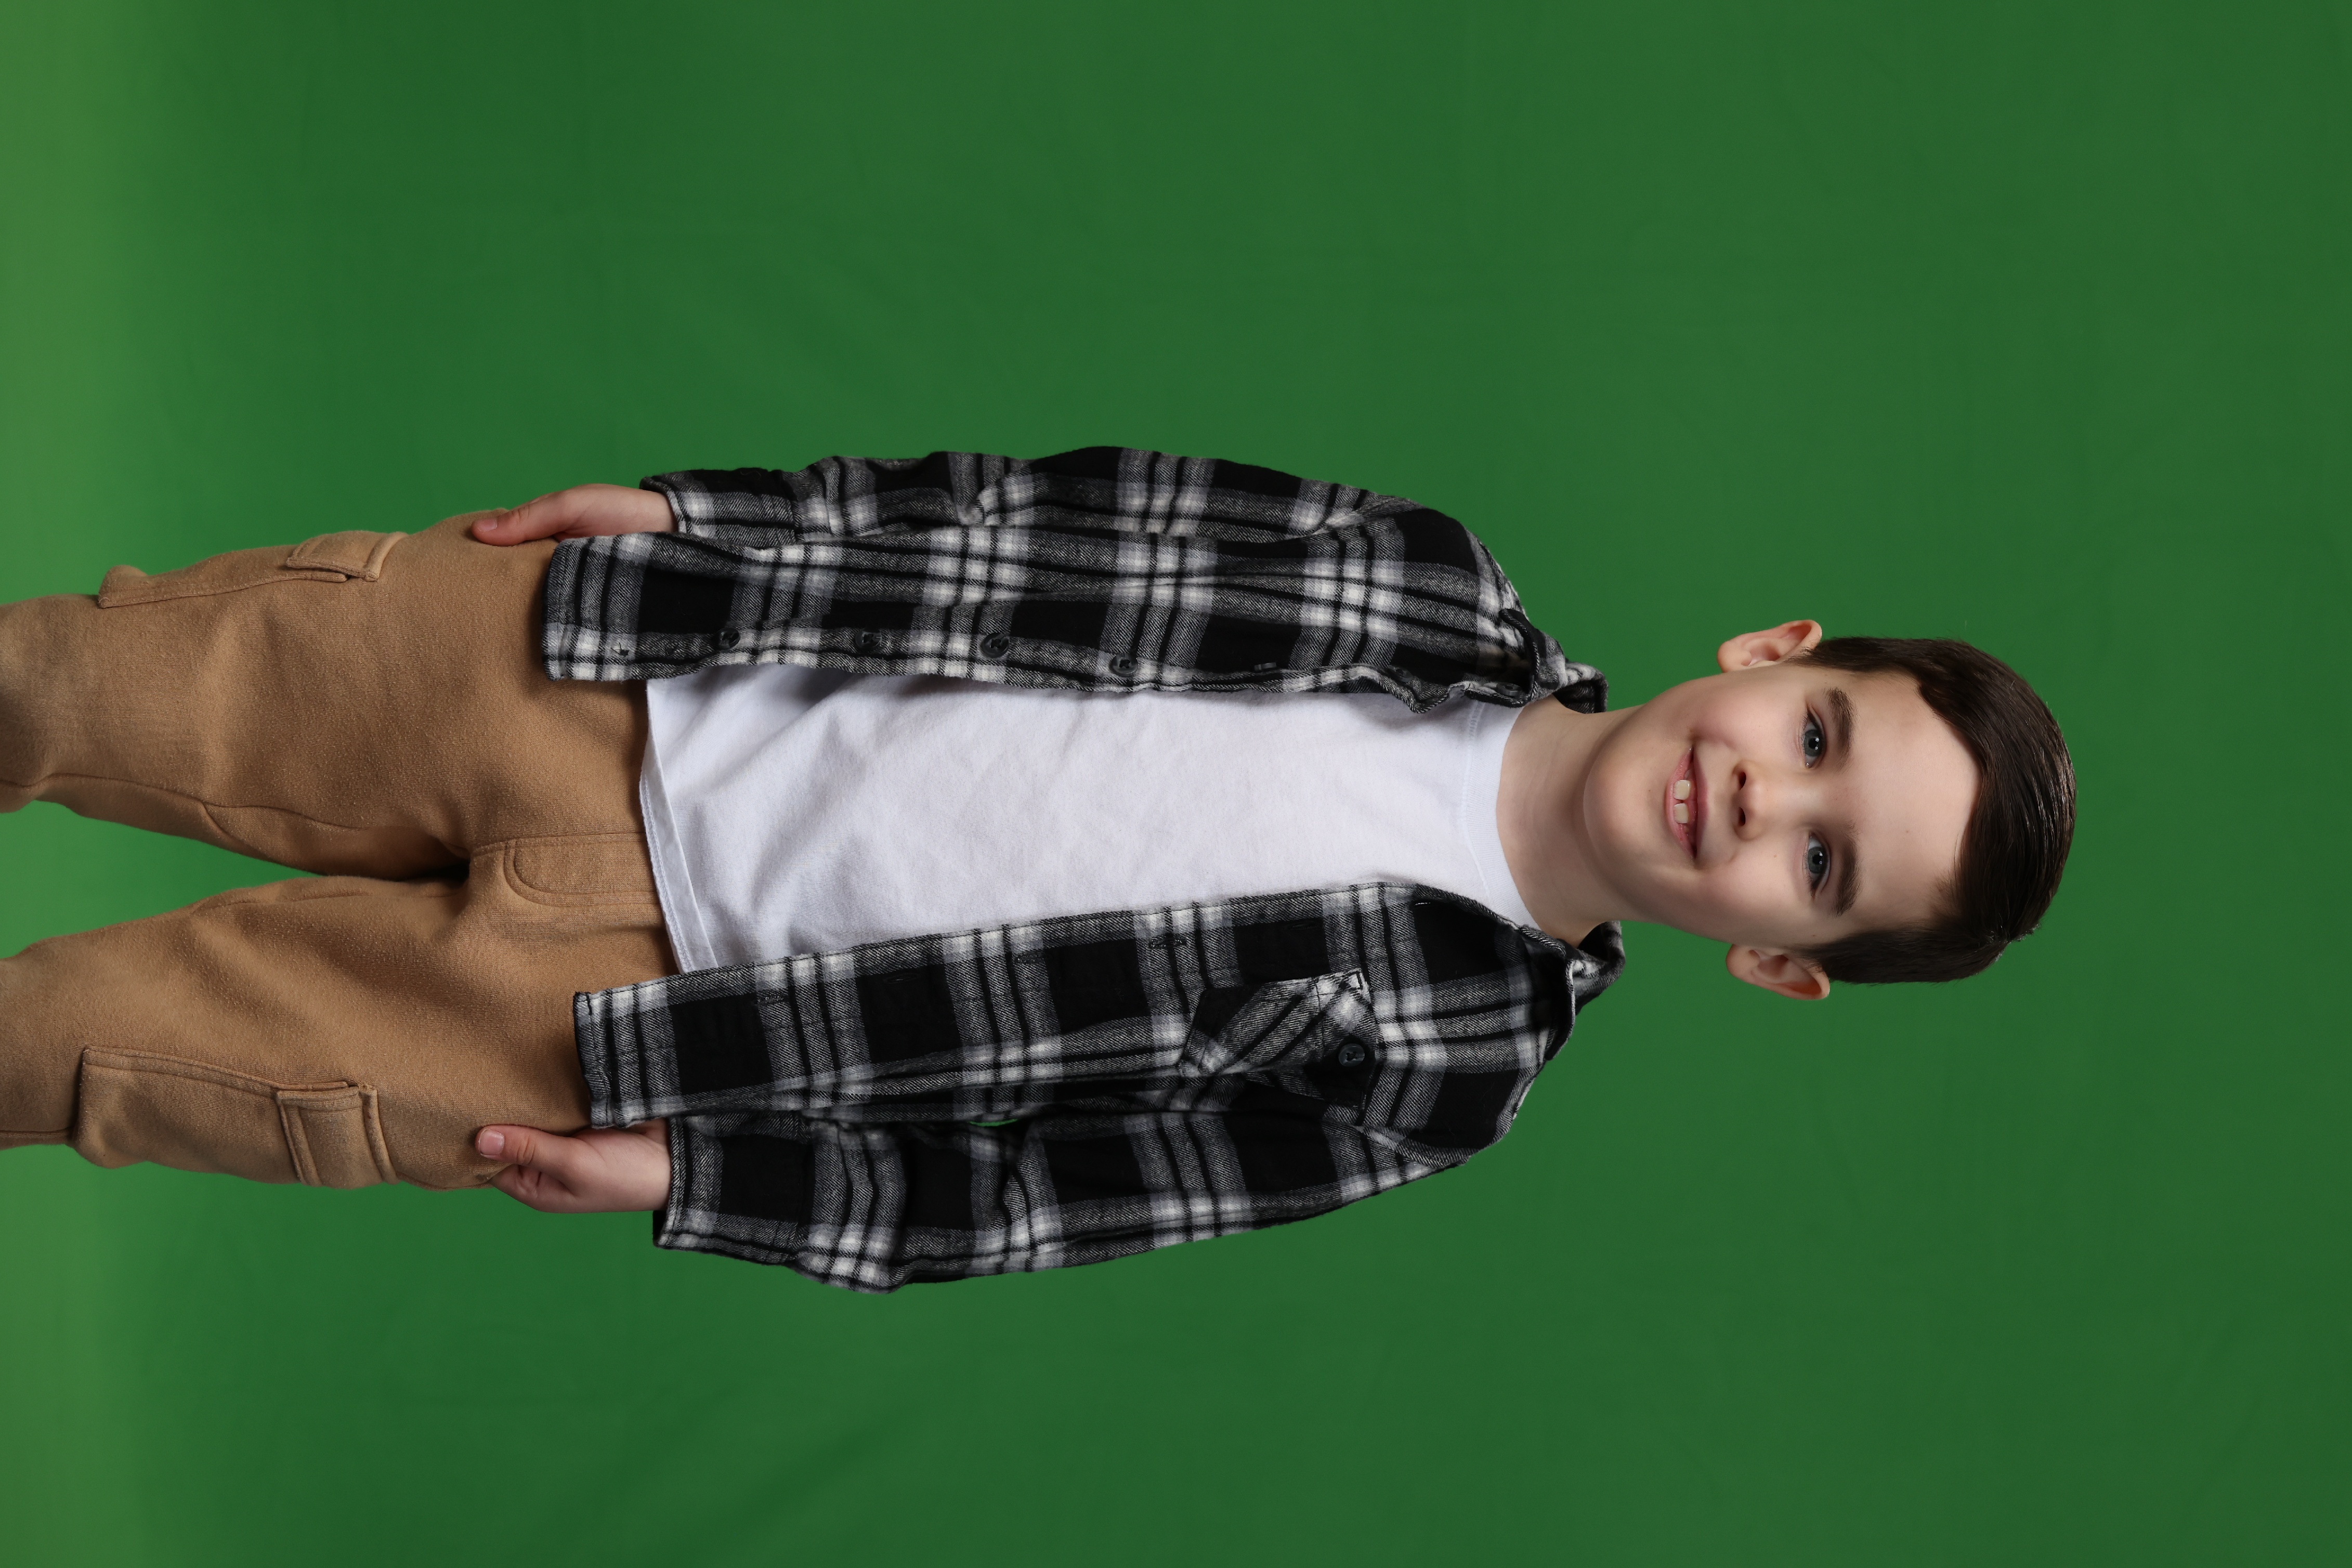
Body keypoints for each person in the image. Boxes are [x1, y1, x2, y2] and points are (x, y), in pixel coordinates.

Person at [0, 448, 2074, 1291]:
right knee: (65, 688)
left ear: (1781, 963)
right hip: (609, 667)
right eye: (1820, 741)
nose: (1760, 803)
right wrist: (711, 515)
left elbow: (1030, 1202)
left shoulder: (1445, 1073)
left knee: (66, 1042)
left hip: (618, 1026)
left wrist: (702, 1180)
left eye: (1822, 868)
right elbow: (1019, 501)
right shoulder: (1420, 572)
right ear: (1776, 654)